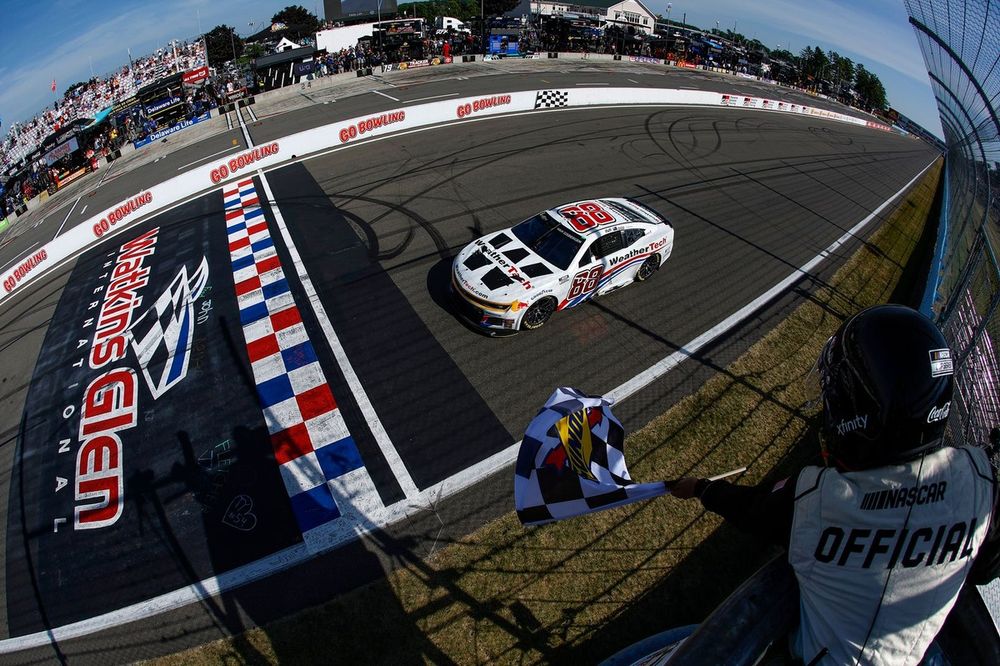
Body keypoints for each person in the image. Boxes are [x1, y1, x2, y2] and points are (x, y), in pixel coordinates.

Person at [671, 304, 1000, 665]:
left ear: (857, 409)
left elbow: (751, 508)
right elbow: (985, 569)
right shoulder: (981, 482)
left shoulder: (817, 499)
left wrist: (703, 488)